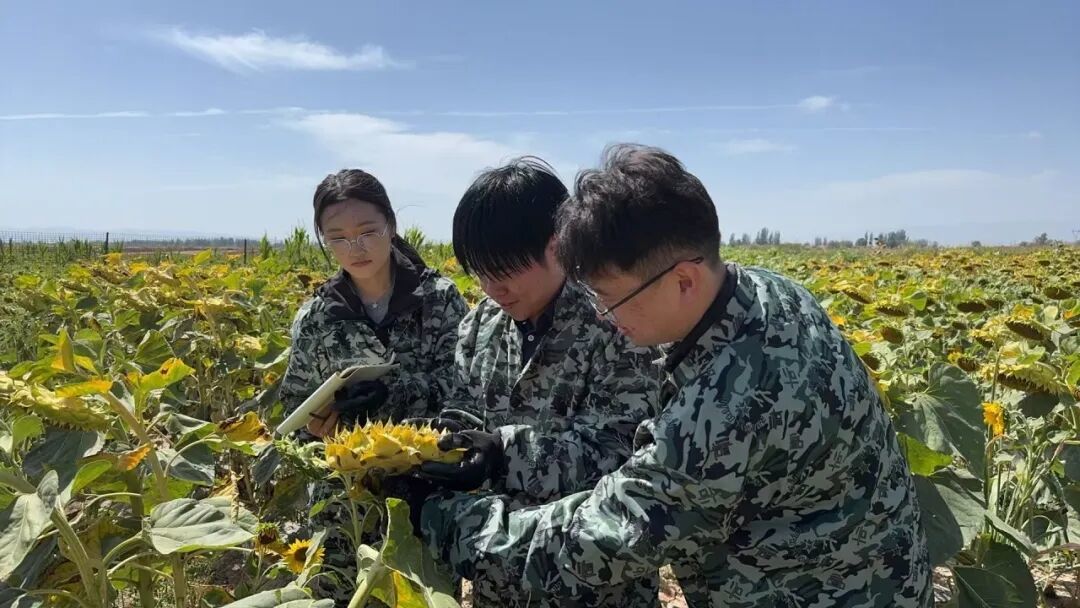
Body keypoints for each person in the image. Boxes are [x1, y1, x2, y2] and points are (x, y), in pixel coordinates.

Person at [400, 145, 933, 607]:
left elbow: (607, 536)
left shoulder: (731, 401)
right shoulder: (766, 292)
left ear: (683, 280)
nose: (605, 316)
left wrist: (446, 520)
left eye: (611, 299)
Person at [411, 158, 663, 608]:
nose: (492, 289)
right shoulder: (480, 326)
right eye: (480, 273)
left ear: (557, 246)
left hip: (593, 585)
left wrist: (504, 452)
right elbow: (464, 409)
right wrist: (444, 442)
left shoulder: (618, 324)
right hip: (496, 582)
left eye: (504, 271)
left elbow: (623, 456)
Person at [278, 168, 468, 606]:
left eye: (367, 232)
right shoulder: (317, 317)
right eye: (339, 238)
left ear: (391, 226)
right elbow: (294, 405)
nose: (355, 248)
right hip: (345, 502)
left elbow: (466, 390)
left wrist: (394, 392)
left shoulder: (439, 300)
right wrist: (317, 424)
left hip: (424, 489)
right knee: (342, 596)